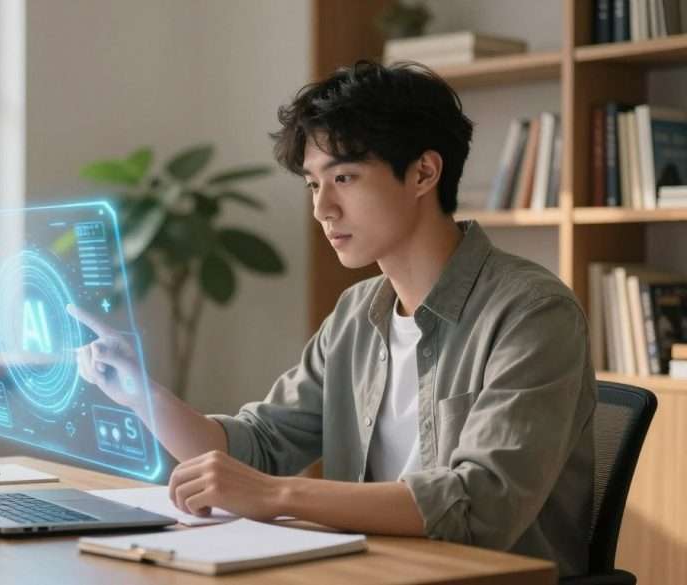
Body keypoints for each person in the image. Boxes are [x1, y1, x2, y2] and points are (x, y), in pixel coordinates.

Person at [67, 60, 596, 578]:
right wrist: (140, 393)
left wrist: (278, 495)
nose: (323, 209)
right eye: (313, 185)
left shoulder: (532, 312)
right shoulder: (355, 314)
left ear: (423, 173)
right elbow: (258, 448)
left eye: (344, 177)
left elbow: (480, 503)